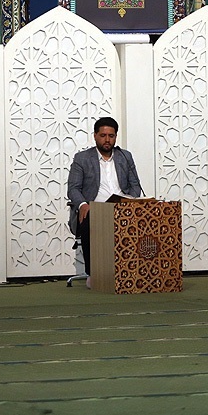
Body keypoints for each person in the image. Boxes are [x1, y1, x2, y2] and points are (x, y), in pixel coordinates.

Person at [67, 116, 142, 288]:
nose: (107, 140)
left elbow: (135, 186)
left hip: (121, 207)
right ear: (95, 136)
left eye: (111, 136)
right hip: (94, 209)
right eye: (103, 135)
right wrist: (83, 204)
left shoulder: (125, 156)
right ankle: (93, 273)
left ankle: (135, 271)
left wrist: (130, 200)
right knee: (88, 219)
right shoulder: (82, 158)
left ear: (115, 137)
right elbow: (73, 189)